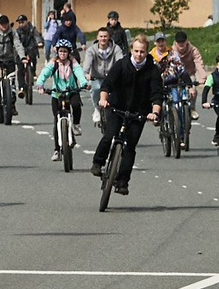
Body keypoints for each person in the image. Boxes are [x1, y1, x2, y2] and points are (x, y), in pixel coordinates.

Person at [92, 34, 166, 192]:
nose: (139, 55)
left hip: (138, 113)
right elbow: (107, 84)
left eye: (142, 52)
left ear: (147, 52)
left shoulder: (152, 70)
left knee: (129, 147)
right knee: (109, 136)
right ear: (131, 50)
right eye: (136, 51)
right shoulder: (121, 65)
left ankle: (122, 181)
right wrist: (103, 100)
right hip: (117, 108)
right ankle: (98, 162)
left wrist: (154, 112)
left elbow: (157, 94)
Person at [36, 41, 88, 159]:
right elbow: (45, 73)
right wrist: (40, 84)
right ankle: (57, 150)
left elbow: (79, 72)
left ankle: (75, 124)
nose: (63, 54)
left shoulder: (73, 63)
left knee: (76, 105)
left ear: (69, 52)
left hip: (71, 92)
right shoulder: (53, 63)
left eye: (65, 51)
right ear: (57, 52)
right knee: (57, 121)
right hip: (57, 94)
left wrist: (84, 83)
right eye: (61, 51)